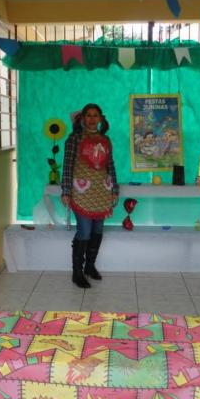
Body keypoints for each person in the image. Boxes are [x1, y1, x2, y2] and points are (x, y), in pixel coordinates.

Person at [61, 103, 119, 288]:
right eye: (89, 115)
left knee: (98, 231)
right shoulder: (74, 138)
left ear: (100, 118)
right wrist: (66, 191)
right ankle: (77, 273)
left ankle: (90, 266)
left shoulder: (105, 139)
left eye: (95, 115)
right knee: (84, 231)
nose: (92, 119)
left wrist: (114, 189)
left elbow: (110, 165)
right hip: (82, 192)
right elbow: (67, 165)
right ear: (83, 118)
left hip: (102, 192)